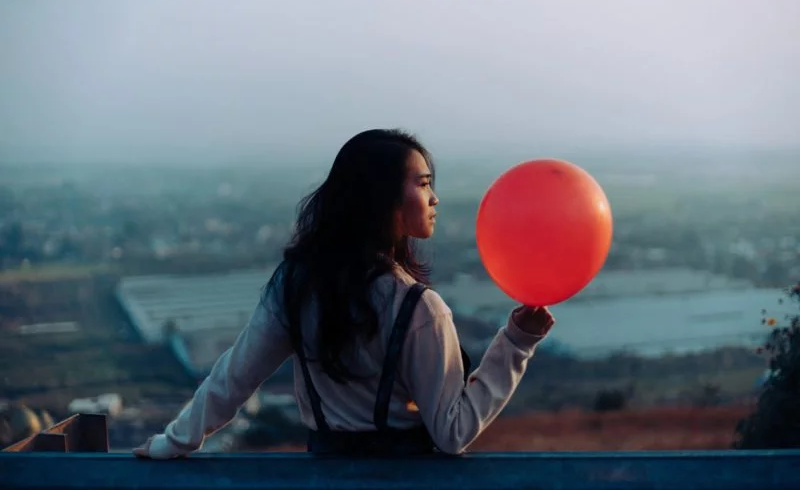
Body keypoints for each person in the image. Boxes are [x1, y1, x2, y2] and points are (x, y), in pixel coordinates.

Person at [133, 128, 554, 459]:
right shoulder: (419, 308)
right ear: (383, 198)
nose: (434, 198)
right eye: (424, 184)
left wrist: (173, 442)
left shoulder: (295, 284)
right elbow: (452, 433)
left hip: (322, 478)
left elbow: (234, 378)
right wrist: (516, 343)